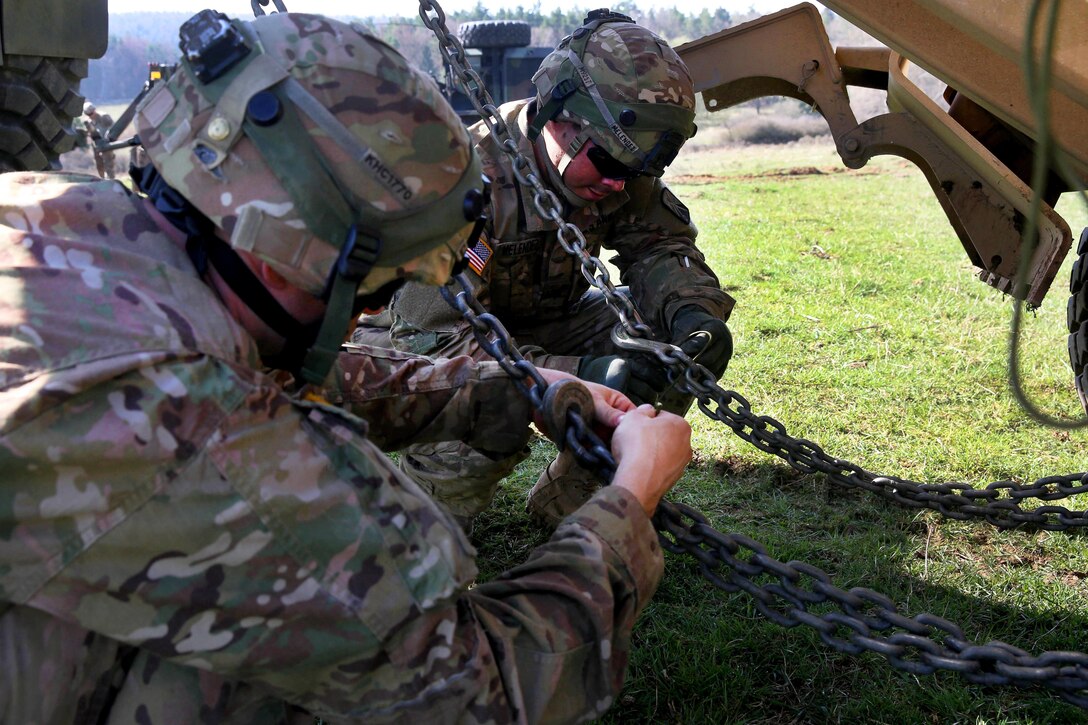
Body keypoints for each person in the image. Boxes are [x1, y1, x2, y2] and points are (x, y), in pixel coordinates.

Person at [0, 10, 693, 723]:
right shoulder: (199, 438)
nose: (368, 312)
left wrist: (516, 386)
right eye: (381, 284)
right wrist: (631, 497)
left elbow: (265, 367)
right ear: (299, 250)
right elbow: (473, 694)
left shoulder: (55, 218)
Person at [354, 9, 734, 525]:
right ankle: (418, 539)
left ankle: (574, 505)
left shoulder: (613, 164)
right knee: (487, 407)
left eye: (639, 170)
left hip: (541, 320)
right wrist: (582, 377)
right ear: (555, 117)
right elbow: (433, 341)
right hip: (415, 345)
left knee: (668, 348)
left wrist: (691, 313)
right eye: (608, 164)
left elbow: (661, 247)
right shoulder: (463, 178)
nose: (620, 184)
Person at [80, 100, 117, 179]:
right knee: (99, 165)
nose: (90, 116)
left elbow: (113, 128)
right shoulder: (88, 122)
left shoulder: (104, 116)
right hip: (96, 144)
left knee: (108, 165)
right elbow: (89, 133)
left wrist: (108, 137)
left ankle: (111, 182)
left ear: (94, 110)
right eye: (88, 114)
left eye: (91, 113)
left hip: (106, 143)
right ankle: (102, 180)